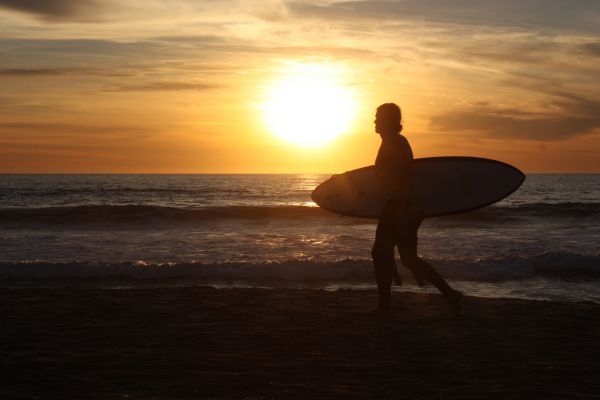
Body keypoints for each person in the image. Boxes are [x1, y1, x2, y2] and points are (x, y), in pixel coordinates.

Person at [371, 103, 462, 314]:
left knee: (381, 253)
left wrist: (401, 213)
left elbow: (403, 179)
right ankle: (450, 295)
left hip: (399, 206)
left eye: (378, 117)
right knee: (408, 258)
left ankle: (384, 307)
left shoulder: (395, 143)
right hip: (404, 207)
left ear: (390, 121)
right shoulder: (390, 142)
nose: (374, 121)